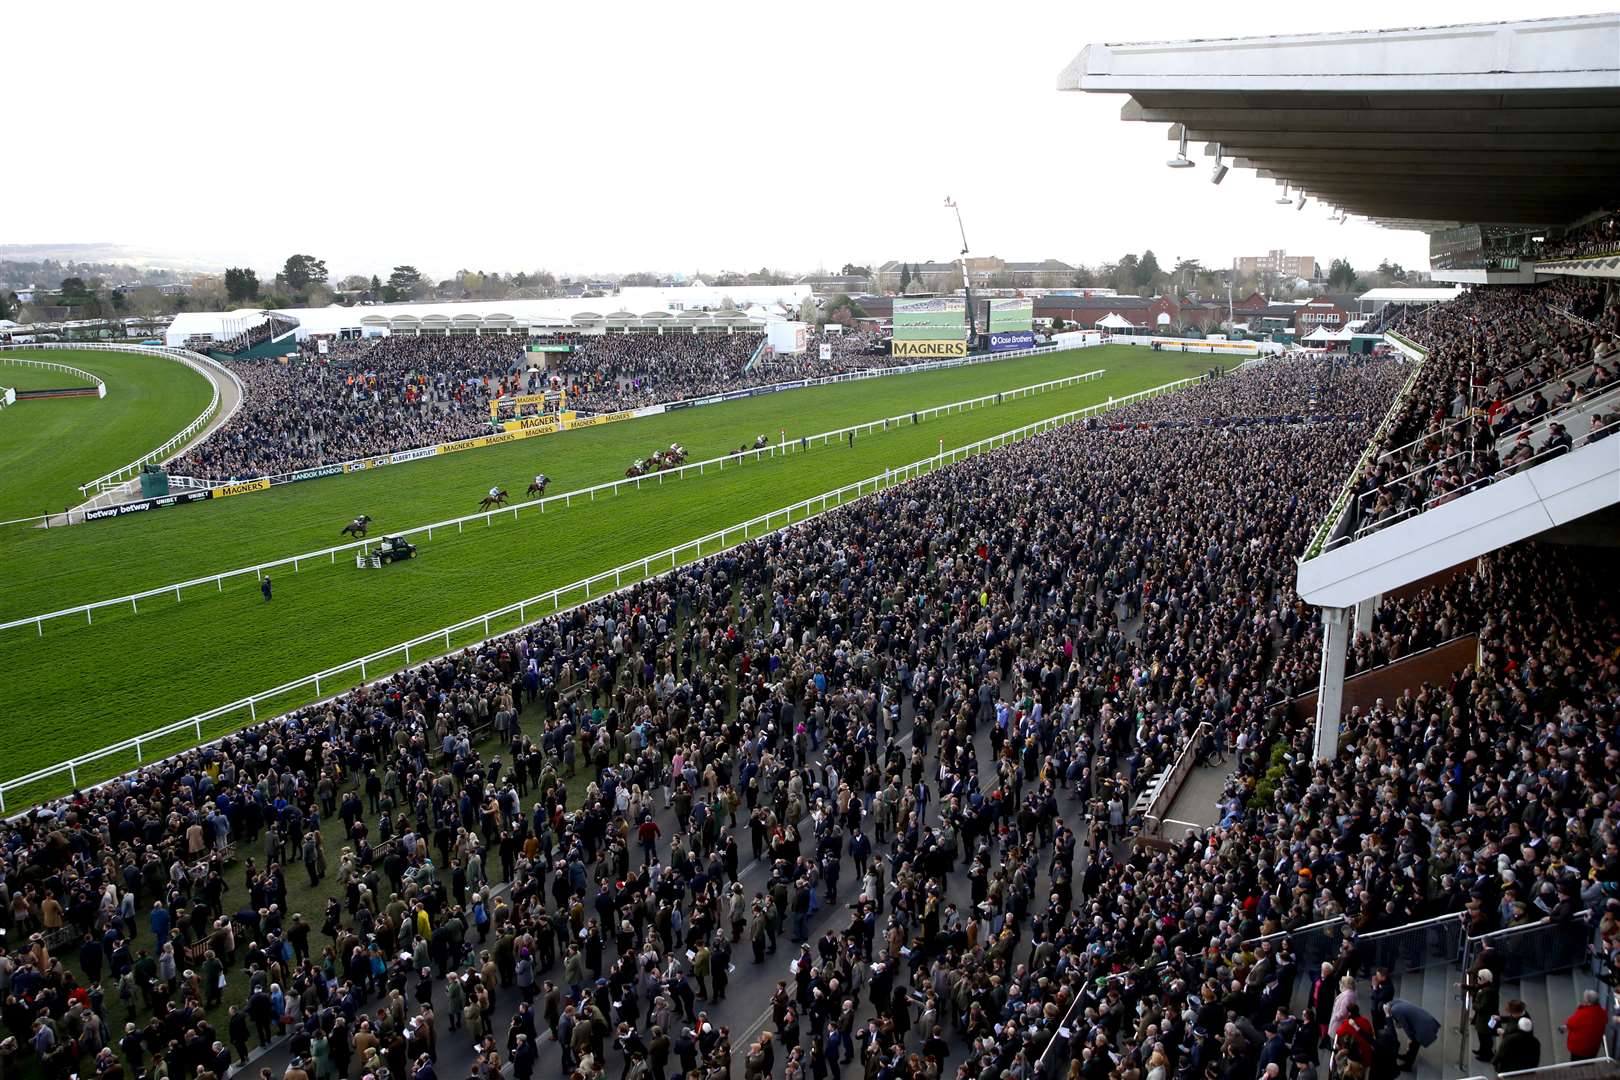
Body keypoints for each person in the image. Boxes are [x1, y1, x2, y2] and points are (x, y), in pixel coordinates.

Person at [1560, 990, 1609, 1060]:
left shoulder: (1583, 1014)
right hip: (1593, 1048)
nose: (1583, 1001)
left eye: (1585, 1000)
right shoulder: (1603, 1013)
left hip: (1579, 1049)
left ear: (1589, 1003)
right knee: (1589, 1062)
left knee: (1576, 1065)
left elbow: (1570, 1023)